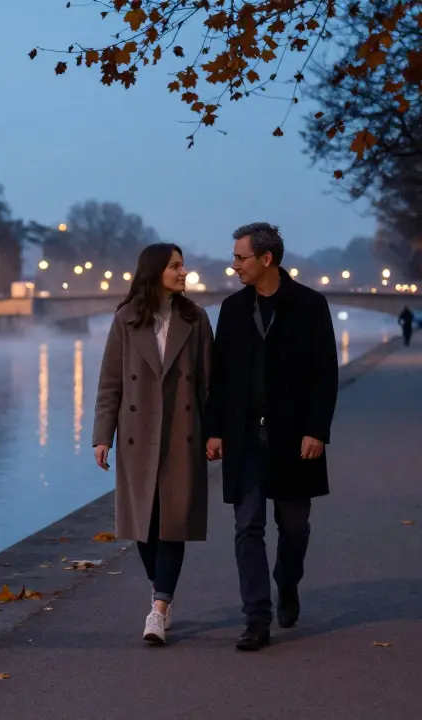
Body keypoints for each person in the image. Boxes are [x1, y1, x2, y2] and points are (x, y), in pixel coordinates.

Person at [204, 222, 339, 652]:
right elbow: (219, 378)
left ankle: (287, 581)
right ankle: (256, 619)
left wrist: (317, 430)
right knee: (248, 528)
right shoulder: (231, 308)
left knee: (294, 527)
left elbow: (325, 375)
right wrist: (213, 430)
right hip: (244, 438)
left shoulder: (310, 305)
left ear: (267, 259)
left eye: (240, 258)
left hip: (295, 437)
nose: (234, 266)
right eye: (234, 258)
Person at [92, 242, 213, 645]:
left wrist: (215, 433)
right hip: (136, 435)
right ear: (154, 272)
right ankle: (160, 587)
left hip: (183, 434)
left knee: (173, 524)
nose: (184, 273)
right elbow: (110, 383)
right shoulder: (125, 320)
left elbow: (210, 384)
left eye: (183, 266)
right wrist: (101, 437)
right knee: (144, 526)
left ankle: (159, 608)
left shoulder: (196, 320)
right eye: (176, 266)